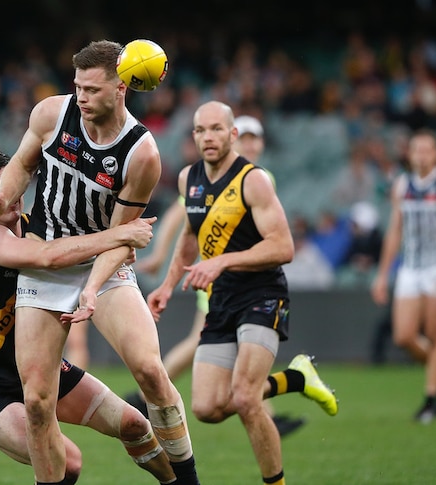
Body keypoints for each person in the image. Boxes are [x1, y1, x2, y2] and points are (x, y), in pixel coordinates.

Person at [0, 40, 201, 485]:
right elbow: (22, 162)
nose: (81, 97)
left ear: (121, 88)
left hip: (105, 263)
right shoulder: (50, 114)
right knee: (38, 401)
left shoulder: (141, 154)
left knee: (151, 373)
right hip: (44, 263)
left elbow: (121, 238)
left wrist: (93, 288)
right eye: (77, 86)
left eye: (92, 90)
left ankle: (186, 481)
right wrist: (4, 199)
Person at [0, 150, 178, 483]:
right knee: (68, 461)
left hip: (35, 365)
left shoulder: (35, 228)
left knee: (135, 424)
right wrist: (121, 234)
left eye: (8, 182)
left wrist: (120, 249)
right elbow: (49, 257)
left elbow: (82, 248)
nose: (5, 192)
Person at [147, 101, 338, 485]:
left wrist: (221, 261)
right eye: (201, 130)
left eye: (217, 129)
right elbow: (189, 235)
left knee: (247, 398)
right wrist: (167, 285)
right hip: (222, 300)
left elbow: (283, 247)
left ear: (233, 135)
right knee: (207, 407)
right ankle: (297, 379)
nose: (208, 137)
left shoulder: (254, 180)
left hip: (262, 294)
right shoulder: (190, 178)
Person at [130, 115, 306, 438]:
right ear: (233, 140)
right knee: (210, 349)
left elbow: (277, 242)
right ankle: (148, 395)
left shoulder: (258, 178)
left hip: (242, 279)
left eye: (256, 139)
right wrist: (161, 259)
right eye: (246, 139)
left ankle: (262, 410)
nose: (251, 145)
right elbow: (181, 216)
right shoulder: (210, 178)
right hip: (213, 279)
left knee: (231, 357)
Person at [371, 128, 436, 424]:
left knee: (435, 335)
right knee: (403, 335)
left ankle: (433, 398)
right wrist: (382, 275)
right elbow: (395, 231)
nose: (420, 155)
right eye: (415, 149)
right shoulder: (401, 185)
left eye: (426, 149)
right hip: (411, 267)